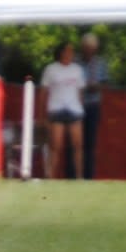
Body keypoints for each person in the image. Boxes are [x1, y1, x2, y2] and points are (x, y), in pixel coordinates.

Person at [40, 42, 85, 179]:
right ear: (61, 53)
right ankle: (51, 176)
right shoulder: (51, 69)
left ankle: (79, 177)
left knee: (77, 145)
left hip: (74, 109)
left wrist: (80, 107)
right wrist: (43, 115)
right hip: (56, 109)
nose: (70, 54)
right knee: (56, 146)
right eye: (67, 51)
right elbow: (43, 92)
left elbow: (80, 92)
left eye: (72, 51)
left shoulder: (77, 69)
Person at [79, 32, 108, 180]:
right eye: (86, 47)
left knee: (90, 143)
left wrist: (93, 86)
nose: (89, 50)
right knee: (76, 143)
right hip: (77, 106)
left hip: (93, 105)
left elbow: (104, 83)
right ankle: (73, 175)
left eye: (92, 48)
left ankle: (88, 176)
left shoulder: (101, 62)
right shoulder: (76, 62)